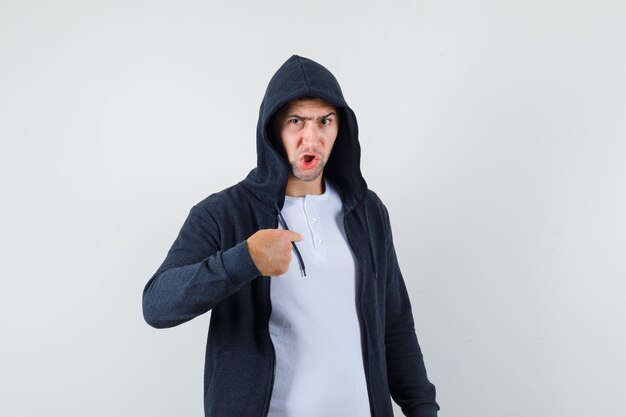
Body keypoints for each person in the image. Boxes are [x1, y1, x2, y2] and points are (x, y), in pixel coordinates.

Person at [142, 55, 439, 417]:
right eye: (296, 121)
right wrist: (244, 259)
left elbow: (396, 324)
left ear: (339, 128)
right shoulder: (223, 213)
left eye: (324, 121)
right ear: (273, 130)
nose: (310, 138)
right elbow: (157, 305)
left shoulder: (366, 210)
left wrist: (423, 408)